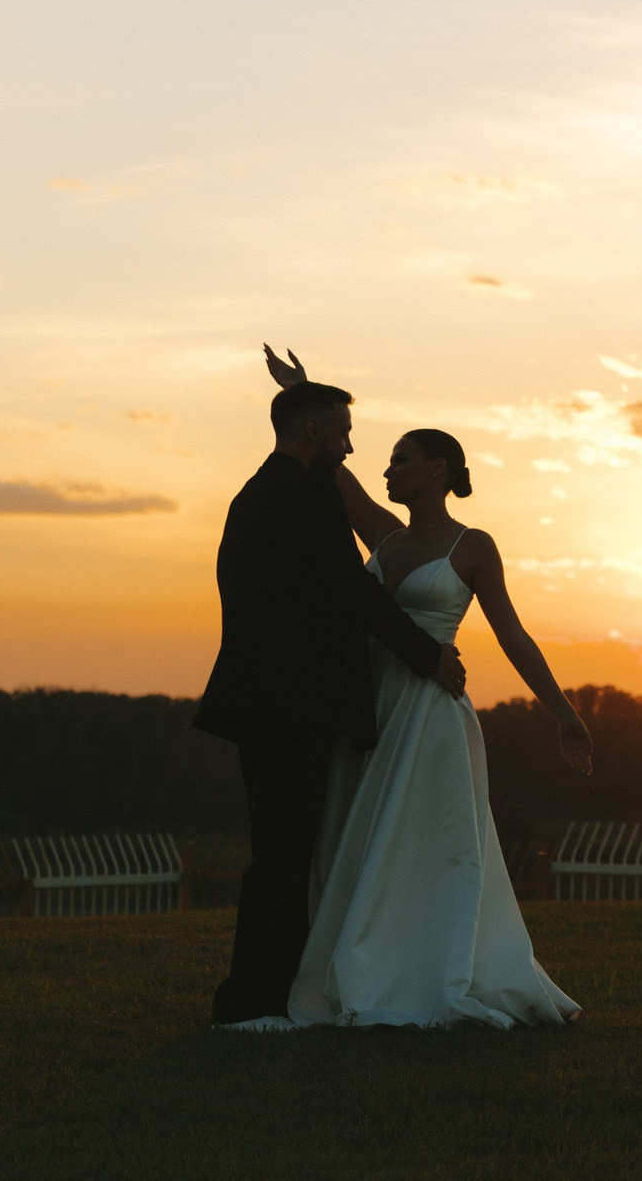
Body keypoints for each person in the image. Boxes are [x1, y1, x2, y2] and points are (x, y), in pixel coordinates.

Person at [262, 346, 591, 1028]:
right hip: (373, 704)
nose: (388, 467)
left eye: (402, 458)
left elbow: (514, 635)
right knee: (362, 836)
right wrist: (302, 392)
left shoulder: (473, 545)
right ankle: (363, 962)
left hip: (432, 718)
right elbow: (335, 469)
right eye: (387, 460)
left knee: (430, 844)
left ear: (438, 467)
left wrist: (562, 711)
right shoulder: (383, 536)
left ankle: (434, 968)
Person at [194, 378, 468, 1032]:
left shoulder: (255, 492)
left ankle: (270, 992)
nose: (349, 447)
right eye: (342, 433)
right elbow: (352, 591)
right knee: (285, 856)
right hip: (292, 703)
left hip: (260, 697)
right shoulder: (302, 494)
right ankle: (254, 1003)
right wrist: (426, 654)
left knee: (282, 850)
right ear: (313, 431)